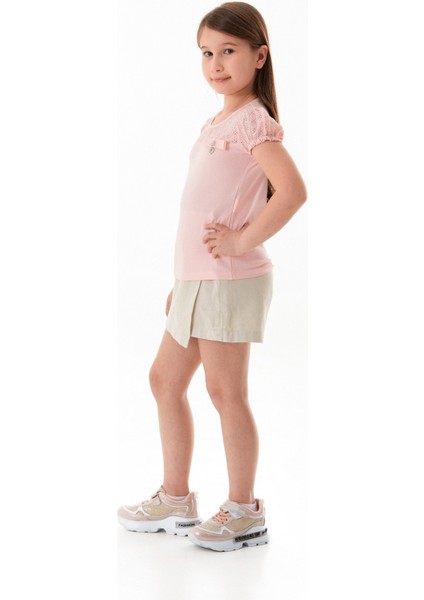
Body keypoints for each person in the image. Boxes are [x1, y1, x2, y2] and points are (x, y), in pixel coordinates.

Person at [118, 1, 307, 552]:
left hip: (228, 277)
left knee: (226, 393)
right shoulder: (217, 121)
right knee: (164, 380)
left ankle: (244, 510)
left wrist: (242, 241)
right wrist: (183, 280)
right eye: (206, 53)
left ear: (259, 56)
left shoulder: (254, 121)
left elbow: (293, 191)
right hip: (199, 279)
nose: (216, 63)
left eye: (228, 51)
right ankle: (176, 498)